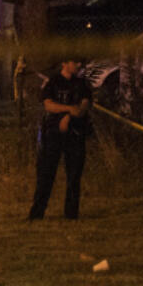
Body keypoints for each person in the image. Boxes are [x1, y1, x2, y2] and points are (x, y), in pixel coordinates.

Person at [28, 57, 92, 221]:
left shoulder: (82, 84)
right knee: (45, 174)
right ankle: (37, 213)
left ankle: (71, 215)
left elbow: (82, 108)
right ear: (65, 64)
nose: (78, 65)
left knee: (74, 175)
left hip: (75, 134)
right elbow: (49, 105)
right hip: (53, 134)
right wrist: (69, 109)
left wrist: (68, 117)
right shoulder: (54, 82)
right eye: (74, 62)